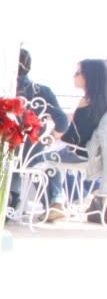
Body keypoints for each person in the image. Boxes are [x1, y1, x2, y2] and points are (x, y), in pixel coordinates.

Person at [11, 48, 70, 210]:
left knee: (16, 158)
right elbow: (63, 122)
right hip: (32, 154)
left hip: (5, 154)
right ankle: (54, 202)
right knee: (45, 160)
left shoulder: (3, 91)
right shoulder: (42, 91)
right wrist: (48, 138)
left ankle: (11, 202)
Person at [49, 57, 107, 218]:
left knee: (42, 159)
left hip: (81, 154)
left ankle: (57, 200)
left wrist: (54, 135)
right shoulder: (102, 102)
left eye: (78, 73)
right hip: (96, 157)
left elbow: (73, 138)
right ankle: (71, 199)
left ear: (89, 76)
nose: (74, 76)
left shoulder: (86, 102)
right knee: (56, 157)